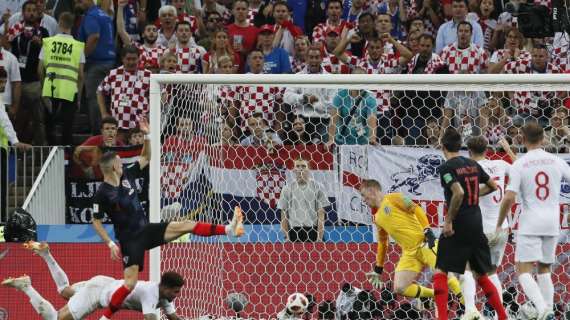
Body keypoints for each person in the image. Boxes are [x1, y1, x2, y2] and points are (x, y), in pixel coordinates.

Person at [92, 118, 245, 319]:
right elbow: (95, 220)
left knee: (186, 225)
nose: (123, 164)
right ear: (113, 167)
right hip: (130, 241)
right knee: (129, 285)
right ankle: (105, 318)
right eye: (120, 162)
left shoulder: (127, 175)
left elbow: (146, 156)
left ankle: (228, 229)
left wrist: (147, 135)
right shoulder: (102, 193)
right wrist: (110, 243)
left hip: (146, 230)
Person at [496, 122, 570, 320]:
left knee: (523, 269)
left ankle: (543, 309)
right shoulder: (556, 160)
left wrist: (499, 222)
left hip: (530, 222)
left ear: (522, 138)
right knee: (545, 267)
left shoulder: (521, 163)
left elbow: (509, 197)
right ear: (544, 138)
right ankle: (548, 310)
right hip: (552, 222)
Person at [433, 127, 507, 320]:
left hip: (459, 223)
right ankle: (502, 316)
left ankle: (441, 318)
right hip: (477, 223)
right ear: (460, 146)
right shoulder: (472, 164)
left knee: (440, 270)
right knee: (481, 274)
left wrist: (448, 221)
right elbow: (493, 186)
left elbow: (458, 193)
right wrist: (474, 196)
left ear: (443, 146)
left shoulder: (447, 168)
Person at [2, 241, 184, 319]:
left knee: (65, 291)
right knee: (56, 319)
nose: (177, 295)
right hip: (97, 294)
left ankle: (46, 254)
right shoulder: (150, 294)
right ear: (166, 287)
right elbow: (150, 318)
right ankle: (26, 287)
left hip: (105, 282)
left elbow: (174, 318)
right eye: (175, 291)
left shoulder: (163, 296)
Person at [358, 179, 464, 302]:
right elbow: (383, 243)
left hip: (424, 243)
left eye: (364, 196)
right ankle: (438, 294)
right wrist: (378, 268)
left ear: (372, 190)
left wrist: (427, 231)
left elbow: (416, 209)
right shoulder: (377, 218)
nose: (364, 200)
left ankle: (469, 308)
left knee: (444, 275)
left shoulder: (394, 198)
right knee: (400, 287)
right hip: (409, 253)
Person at [461, 136, 515, 318]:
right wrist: (507, 149)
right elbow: (520, 167)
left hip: (480, 229)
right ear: (487, 150)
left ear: (468, 151)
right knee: (491, 272)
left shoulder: (468, 169)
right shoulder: (500, 164)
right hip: (501, 228)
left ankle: (470, 311)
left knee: (466, 268)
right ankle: (501, 315)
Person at [39, 11, 85, 146]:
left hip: (50, 89)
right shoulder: (78, 46)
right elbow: (81, 75)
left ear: (59, 23)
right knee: (67, 127)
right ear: (73, 25)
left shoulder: (48, 43)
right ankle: (67, 158)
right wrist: (79, 97)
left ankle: (51, 153)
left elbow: (39, 70)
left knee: (50, 126)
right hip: (70, 91)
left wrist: (43, 88)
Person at [10, 0, 49, 145]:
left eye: (34, 10)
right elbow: (6, 46)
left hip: (34, 82)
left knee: (38, 119)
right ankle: (16, 147)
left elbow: (49, 56)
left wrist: (41, 44)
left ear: (38, 12)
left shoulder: (43, 32)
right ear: (23, 13)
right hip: (17, 82)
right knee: (16, 118)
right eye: (28, 10)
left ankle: (41, 149)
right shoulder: (16, 29)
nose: (31, 13)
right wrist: (7, 24)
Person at [76, 0, 115, 135]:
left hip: (96, 64)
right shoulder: (103, 14)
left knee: (94, 98)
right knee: (106, 98)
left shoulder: (91, 16)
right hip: (109, 61)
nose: (77, 2)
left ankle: (97, 133)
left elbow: (94, 37)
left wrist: (82, 57)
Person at [97, 45, 151, 140]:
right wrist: (104, 114)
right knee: (119, 151)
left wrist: (150, 114)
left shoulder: (147, 75)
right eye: (128, 59)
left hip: (139, 127)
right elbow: (100, 91)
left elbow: (160, 95)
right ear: (122, 59)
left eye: (134, 59)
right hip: (118, 125)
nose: (131, 62)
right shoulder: (113, 73)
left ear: (139, 58)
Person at [278, 157, 329, 242]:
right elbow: (283, 216)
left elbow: (321, 215)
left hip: (313, 232)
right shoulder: (287, 188)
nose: (300, 169)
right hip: (294, 233)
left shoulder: (318, 187)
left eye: (303, 166)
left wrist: (319, 238)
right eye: (297, 166)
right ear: (293, 170)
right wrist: (287, 238)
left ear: (309, 169)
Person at [327, 70, 378, 147]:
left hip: (362, 142)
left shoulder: (370, 98)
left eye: (361, 80)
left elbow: (372, 119)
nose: (358, 82)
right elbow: (333, 119)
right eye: (356, 79)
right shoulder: (340, 95)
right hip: (341, 141)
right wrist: (331, 140)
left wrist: (372, 138)